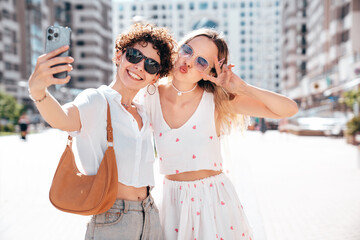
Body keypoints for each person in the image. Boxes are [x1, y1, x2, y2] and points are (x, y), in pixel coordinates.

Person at [144, 28, 298, 239]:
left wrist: (242, 87)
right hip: (171, 202)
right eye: (187, 50)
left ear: (211, 72)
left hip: (213, 202)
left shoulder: (215, 100)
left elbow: (288, 109)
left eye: (201, 62)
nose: (188, 61)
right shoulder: (149, 94)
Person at [28, 23, 176, 240]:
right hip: (112, 217)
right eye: (134, 55)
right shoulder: (96, 100)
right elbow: (63, 119)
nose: (139, 66)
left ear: (155, 77)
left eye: (152, 65)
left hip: (150, 215)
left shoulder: (145, 112)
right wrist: (38, 91)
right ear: (119, 56)